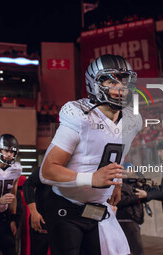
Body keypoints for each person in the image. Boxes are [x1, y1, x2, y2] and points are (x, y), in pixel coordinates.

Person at [39, 54, 142, 255]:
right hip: (66, 207)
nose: (120, 87)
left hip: (96, 209)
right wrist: (92, 178)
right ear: (95, 84)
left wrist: (117, 182)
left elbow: (115, 154)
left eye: (124, 81)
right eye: (112, 81)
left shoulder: (132, 120)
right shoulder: (80, 115)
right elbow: (47, 171)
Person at [116, 165, 145, 255]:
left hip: (135, 219)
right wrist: (137, 196)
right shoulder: (120, 185)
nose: (131, 171)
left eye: (132, 169)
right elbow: (120, 201)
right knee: (136, 250)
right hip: (126, 219)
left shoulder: (134, 184)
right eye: (128, 169)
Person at [22, 167, 51, 255]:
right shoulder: (45, 168)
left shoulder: (75, 167)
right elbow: (27, 185)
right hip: (42, 218)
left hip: (64, 219)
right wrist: (34, 212)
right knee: (38, 250)